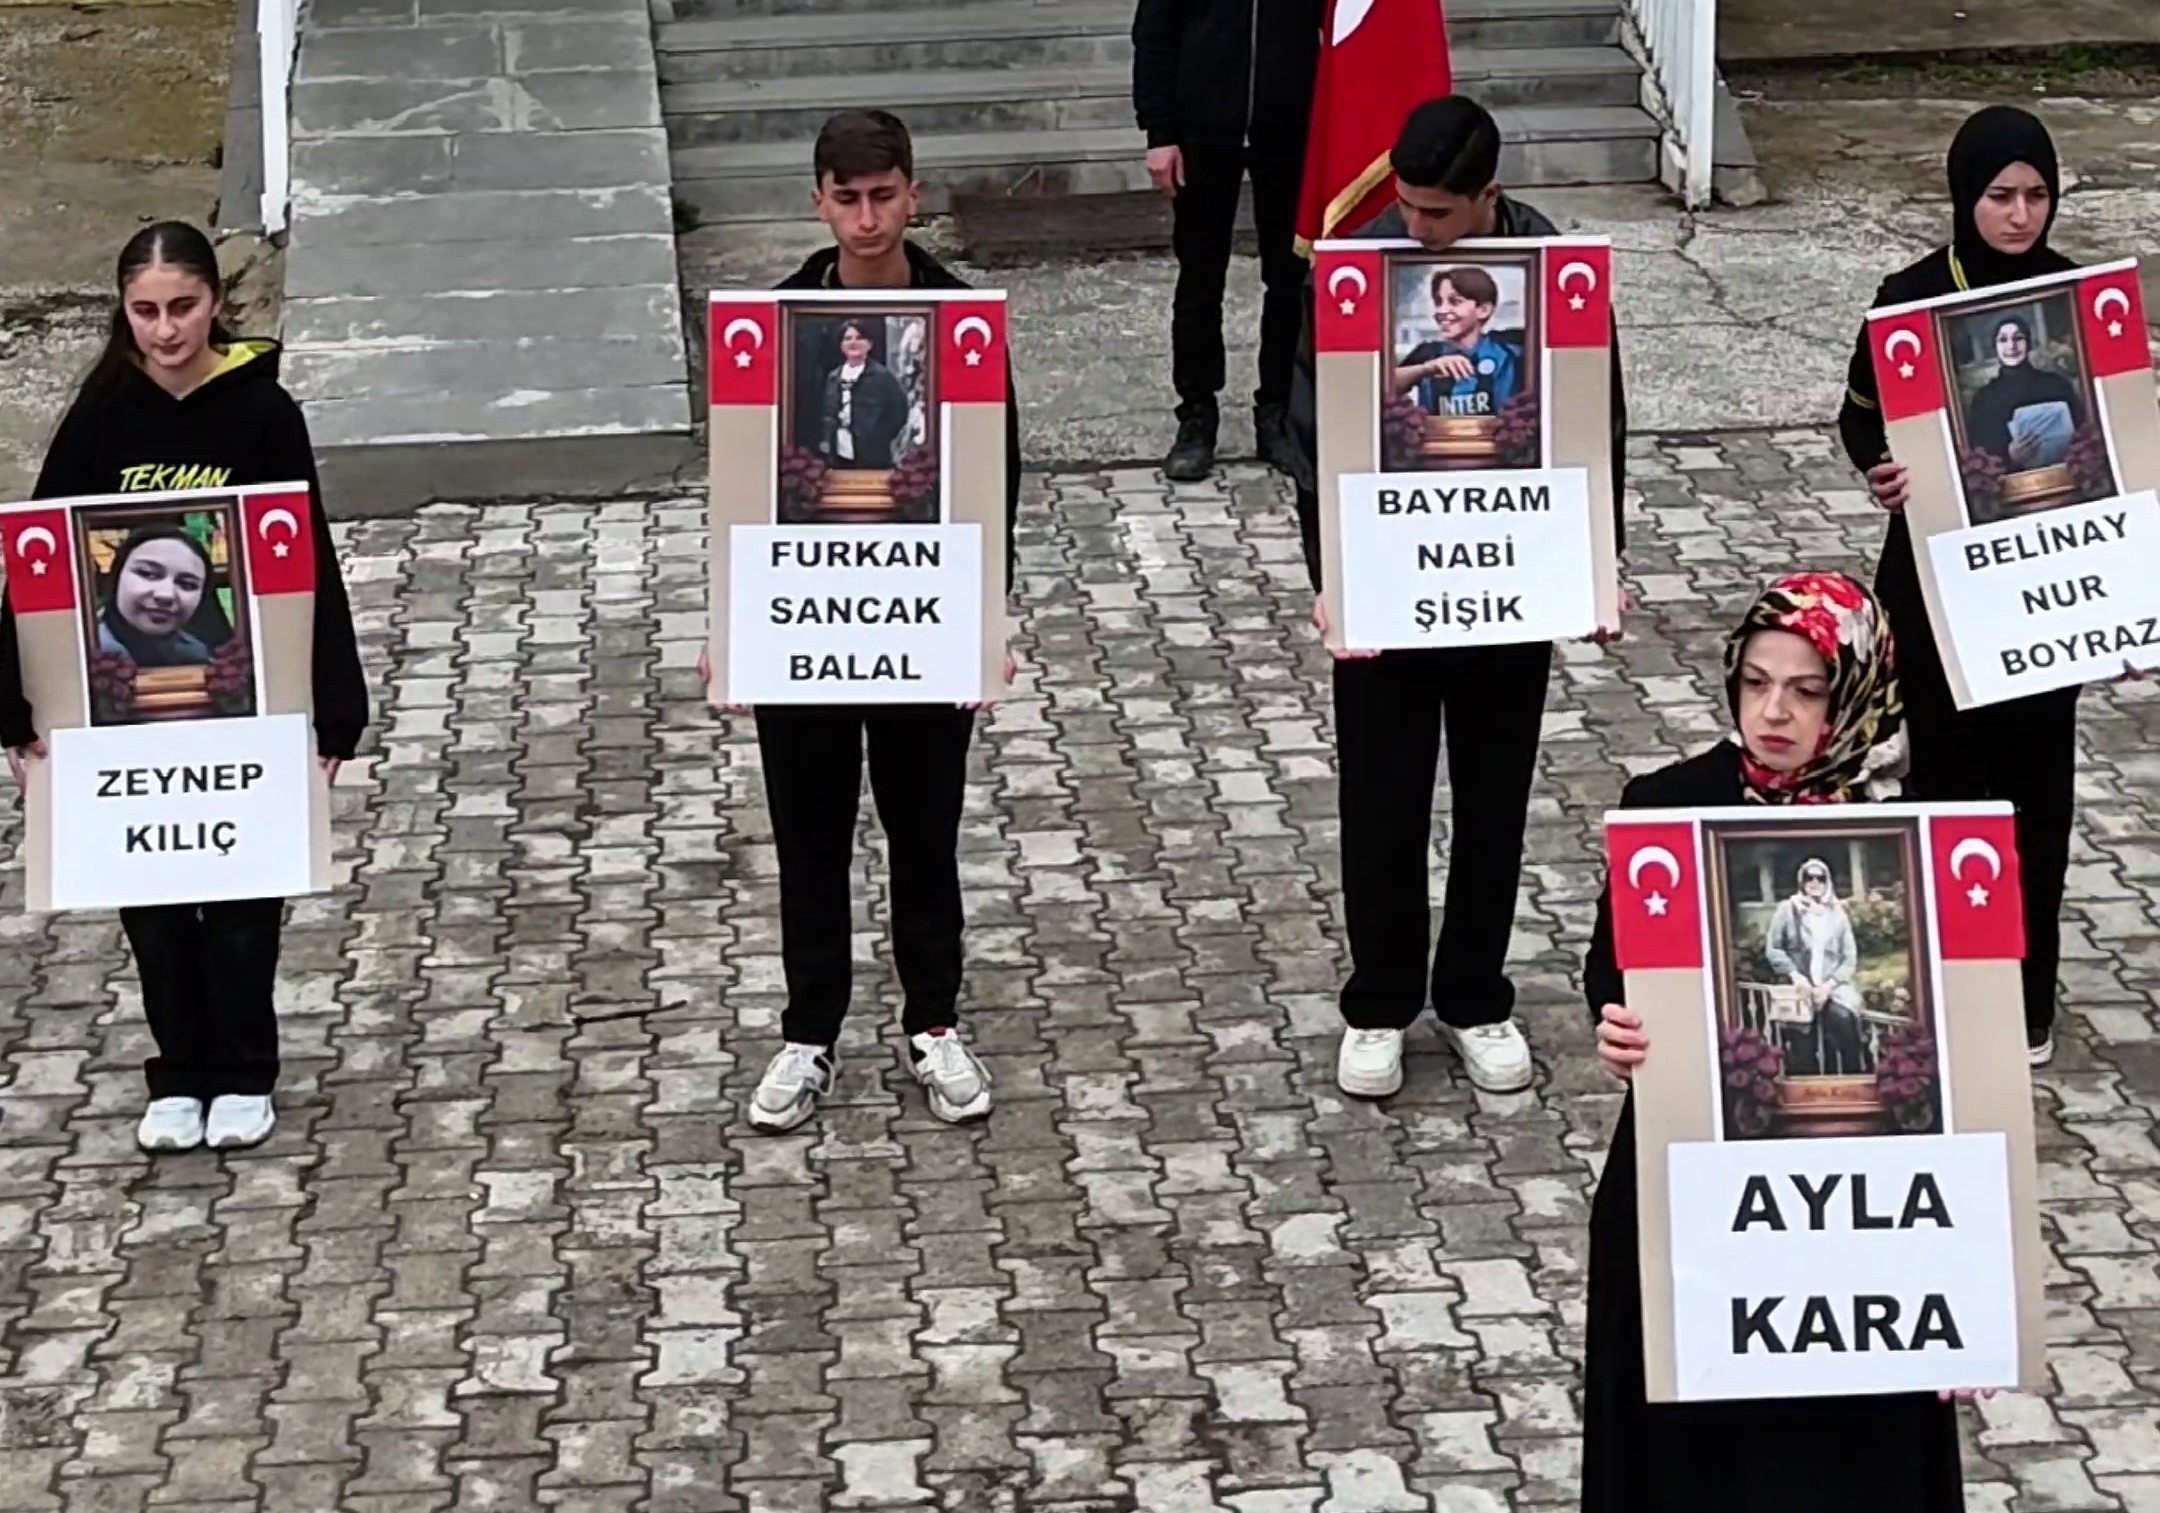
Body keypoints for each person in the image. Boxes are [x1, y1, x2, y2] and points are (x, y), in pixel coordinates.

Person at [1581, 570, 1983, 1512]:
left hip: (1871, 1209)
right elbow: (1613, 969)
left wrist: (1973, 1302)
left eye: (1806, 690)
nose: (1773, 712)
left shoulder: (1925, 821)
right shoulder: (1667, 802)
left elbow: (1976, 1041)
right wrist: (1619, 1029)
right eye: (1756, 682)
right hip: (1695, 1185)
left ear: (1857, 692)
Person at [1283, 95, 1629, 1099]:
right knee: (1380, 796)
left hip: (1508, 582)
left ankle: (1477, 993)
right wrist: (1330, 577)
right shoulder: (1356, 269)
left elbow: (1595, 421)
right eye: (1407, 205)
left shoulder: (1553, 271)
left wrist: (1598, 561)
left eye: (1437, 212)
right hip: (1389, 580)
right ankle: (1380, 1002)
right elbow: (1314, 433)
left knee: (1493, 796)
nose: (1417, 226)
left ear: (1489, 195)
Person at [0, 220, 368, 1155]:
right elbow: (40, 562)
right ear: (122, 313)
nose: (165, 330)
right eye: (145, 311)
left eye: (183, 307)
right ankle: (178, 1072)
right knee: (155, 899)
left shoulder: (263, 413)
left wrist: (334, 709)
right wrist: (14, 705)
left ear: (217, 302)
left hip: (244, 698)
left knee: (243, 894)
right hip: (120, 712)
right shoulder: (100, 416)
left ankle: (245, 1069)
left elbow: (308, 559)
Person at [698, 109, 1018, 1132]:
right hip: (805, 628)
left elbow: (994, 483)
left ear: (914, 194)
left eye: (885, 196)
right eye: (849, 198)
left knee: (925, 833)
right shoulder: (773, 326)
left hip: (923, 622)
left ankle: (934, 1022)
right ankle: (809, 1033)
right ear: (820, 201)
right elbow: (740, 487)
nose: (868, 217)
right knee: (811, 839)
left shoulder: (962, 323)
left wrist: (988, 621)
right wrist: (730, 626)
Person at [1837, 105, 2092, 1066]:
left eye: (2036, 195)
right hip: (1937, 580)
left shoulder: (2076, 298)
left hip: (2045, 583)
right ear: (1962, 197)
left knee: (2039, 796)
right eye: (2000, 196)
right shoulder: (1909, 299)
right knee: (1940, 781)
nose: (2020, 215)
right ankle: (1940, 983)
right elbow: (1859, 418)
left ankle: (2025, 996)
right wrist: (1879, 469)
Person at [1131, 0, 1322, 481]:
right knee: (1200, 279)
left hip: (1291, 131)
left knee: (1289, 276)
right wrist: (1159, 132)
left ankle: (1278, 410)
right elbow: (1154, 33)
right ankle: (1197, 415)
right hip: (1202, 130)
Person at [1762, 857, 1868, 1075]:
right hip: (1799, 989)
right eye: (1808, 878)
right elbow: (1774, 949)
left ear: (1827, 881)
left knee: (1844, 1023)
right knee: (1802, 1049)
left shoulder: (1837, 913)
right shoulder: (1787, 909)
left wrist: (1829, 986)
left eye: (1820, 878)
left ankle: (1853, 1081)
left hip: (1831, 989)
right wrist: (1795, 976)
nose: (1814, 883)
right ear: (1801, 881)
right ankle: (1806, 1087)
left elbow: (1849, 957)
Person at [1394, 266, 1524, 419]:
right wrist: (1426, 369)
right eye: (1438, 302)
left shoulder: (1510, 348)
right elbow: (1382, 386)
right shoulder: (1428, 353)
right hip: (1438, 434)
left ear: (1483, 310)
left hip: (1504, 434)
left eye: (1455, 302)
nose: (1441, 311)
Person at [1963, 314, 2082, 468]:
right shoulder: (1984, 400)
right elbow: (1980, 451)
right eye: (2003, 340)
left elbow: (2080, 432)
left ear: (2028, 343)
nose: (2011, 346)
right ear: (1995, 347)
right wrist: (2008, 455)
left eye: (2018, 338)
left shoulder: (2056, 385)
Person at [98, 527, 220, 667]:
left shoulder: (197, 656)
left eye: (187, 584)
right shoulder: (83, 652)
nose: (166, 595)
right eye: (147, 573)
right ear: (116, 577)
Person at [818, 318, 911, 470]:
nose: (853, 342)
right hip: (838, 452)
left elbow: (899, 411)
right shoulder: (833, 377)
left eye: (859, 338)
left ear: (869, 344)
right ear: (841, 345)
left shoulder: (881, 376)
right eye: (848, 338)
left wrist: (879, 437)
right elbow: (826, 413)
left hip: (873, 455)